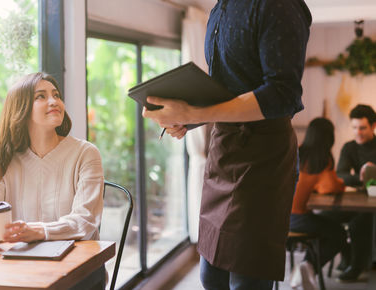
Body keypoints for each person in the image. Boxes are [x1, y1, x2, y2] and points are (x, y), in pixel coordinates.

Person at [143, 0, 311, 289]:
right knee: (211, 278)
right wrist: (189, 119)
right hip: (223, 149)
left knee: (247, 280)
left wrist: (196, 113)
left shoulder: (279, 5)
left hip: (263, 157)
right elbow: (228, 88)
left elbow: (282, 94)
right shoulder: (219, 8)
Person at [0, 72, 104, 246]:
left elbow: (85, 221)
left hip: (79, 265)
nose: (54, 101)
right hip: (24, 265)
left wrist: (40, 231)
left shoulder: (85, 153)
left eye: (56, 95)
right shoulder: (7, 159)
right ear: (21, 109)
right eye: (41, 97)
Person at [288, 118, 346, 290]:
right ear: (329, 137)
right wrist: (342, 183)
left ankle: (306, 267)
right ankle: (309, 266)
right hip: (298, 219)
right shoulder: (322, 159)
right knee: (339, 233)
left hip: (277, 218)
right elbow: (329, 188)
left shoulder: (297, 152)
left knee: (321, 226)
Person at [321, 104, 376, 282]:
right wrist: (361, 178)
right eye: (354, 127)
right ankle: (347, 256)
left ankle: (357, 267)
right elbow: (341, 175)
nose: (357, 132)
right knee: (327, 217)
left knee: (360, 220)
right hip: (360, 199)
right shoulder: (349, 147)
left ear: (374, 126)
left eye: (362, 128)